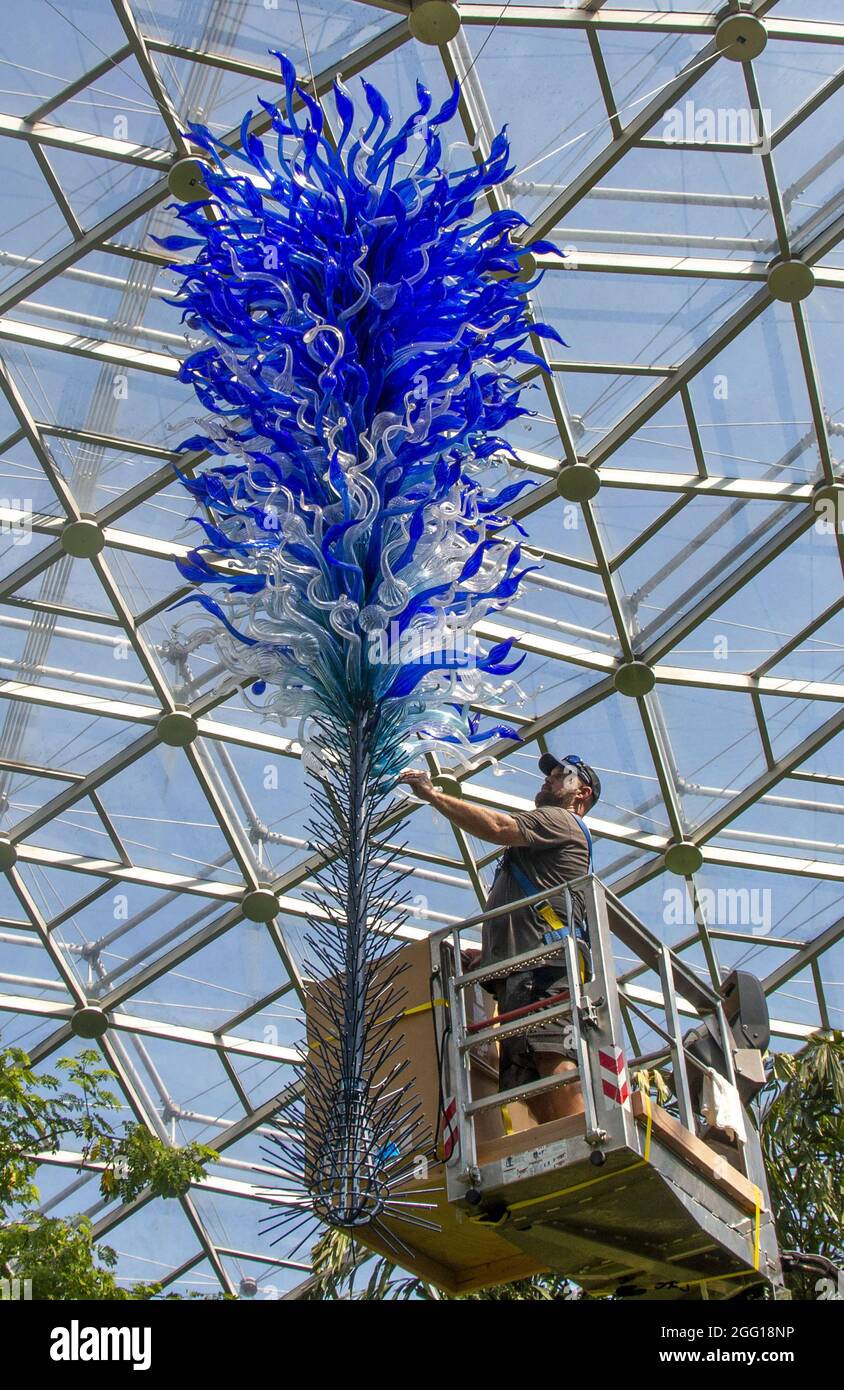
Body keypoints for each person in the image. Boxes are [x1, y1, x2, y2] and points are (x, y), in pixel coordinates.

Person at [399, 752, 600, 1127]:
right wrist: (488, 958)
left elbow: (496, 826)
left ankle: (587, 1134)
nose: (547, 781)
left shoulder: (561, 820)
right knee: (525, 1074)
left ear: (581, 793)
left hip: (544, 967)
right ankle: (560, 1144)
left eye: (559, 776)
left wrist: (433, 795)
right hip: (521, 972)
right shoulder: (547, 835)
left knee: (551, 1053)